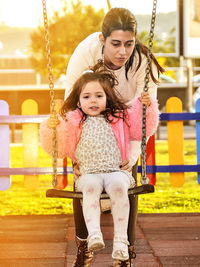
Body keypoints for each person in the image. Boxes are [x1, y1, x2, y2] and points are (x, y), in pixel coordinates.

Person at [63, 7, 164, 267]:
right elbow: (71, 107)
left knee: (126, 180)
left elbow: (145, 115)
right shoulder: (84, 53)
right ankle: (84, 246)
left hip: (126, 125)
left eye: (129, 44)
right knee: (82, 180)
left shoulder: (143, 61)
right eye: (116, 44)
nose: (123, 52)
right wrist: (74, 155)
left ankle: (125, 252)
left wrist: (130, 156)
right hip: (89, 125)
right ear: (102, 39)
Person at [40, 66, 159, 263]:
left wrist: (147, 106)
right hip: (88, 173)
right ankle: (94, 235)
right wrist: (51, 128)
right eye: (86, 97)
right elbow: (58, 145)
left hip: (116, 171)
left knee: (121, 189)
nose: (93, 100)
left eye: (98, 95)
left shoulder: (119, 117)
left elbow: (141, 126)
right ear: (78, 102)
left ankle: (121, 243)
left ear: (107, 98)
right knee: (90, 189)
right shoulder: (74, 122)